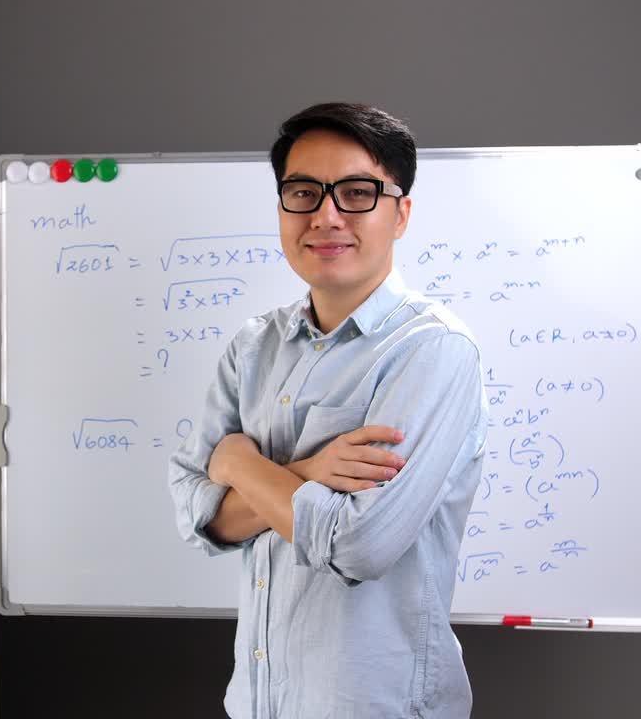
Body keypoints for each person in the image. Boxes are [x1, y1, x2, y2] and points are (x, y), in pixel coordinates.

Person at [168, 102, 488, 718]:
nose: (326, 215)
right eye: (303, 193)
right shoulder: (253, 346)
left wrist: (239, 463)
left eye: (357, 193)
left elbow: (359, 546)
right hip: (259, 704)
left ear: (401, 214)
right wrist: (310, 473)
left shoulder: (433, 350)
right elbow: (195, 514)